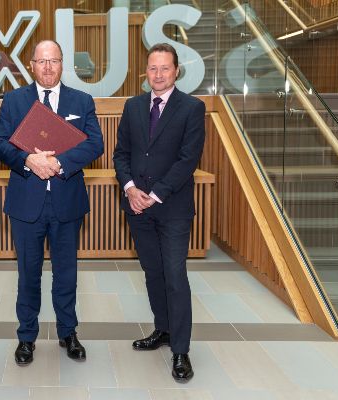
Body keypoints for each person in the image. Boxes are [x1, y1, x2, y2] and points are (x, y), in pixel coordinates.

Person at [0, 40, 104, 366]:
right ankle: (26, 337)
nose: (48, 67)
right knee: (28, 274)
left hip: (67, 201)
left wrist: (60, 164)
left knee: (66, 273)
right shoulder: (13, 101)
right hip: (26, 203)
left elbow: (95, 143)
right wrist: (28, 160)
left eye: (54, 61)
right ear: (31, 64)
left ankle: (68, 332)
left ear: (62, 64)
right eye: (42, 61)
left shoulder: (80, 101)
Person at [112, 43, 205, 383]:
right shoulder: (133, 106)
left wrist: (154, 194)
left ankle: (181, 350)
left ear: (176, 70)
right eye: (153, 68)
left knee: (175, 276)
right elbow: (121, 154)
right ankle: (163, 329)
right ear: (146, 71)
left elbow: (187, 161)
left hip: (173, 209)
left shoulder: (192, 108)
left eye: (165, 68)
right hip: (137, 207)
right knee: (152, 272)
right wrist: (130, 188)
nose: (159, 74)